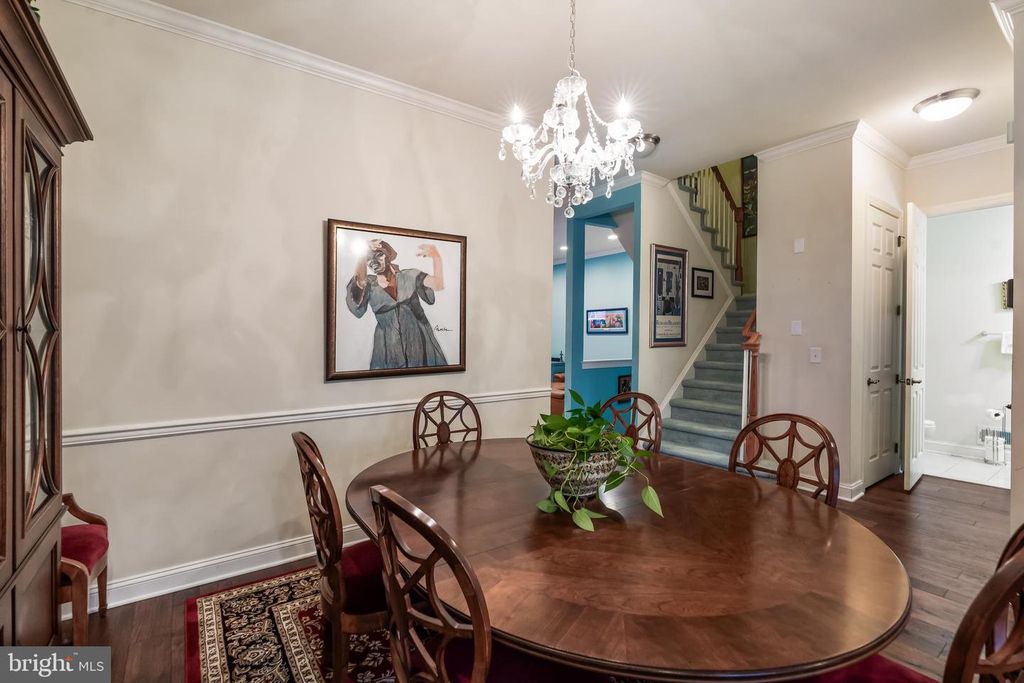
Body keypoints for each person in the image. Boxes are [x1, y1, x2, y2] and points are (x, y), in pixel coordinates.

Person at [346, 239, 448, 370]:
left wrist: (436, 257)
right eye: (368, 258)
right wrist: (362, 252)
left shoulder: (410, 275)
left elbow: (438, 284)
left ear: (388, 256)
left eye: (379, 255)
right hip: (388, 350)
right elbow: (360, 282)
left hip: (419, 344)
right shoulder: (369, 285)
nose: (373, 261)